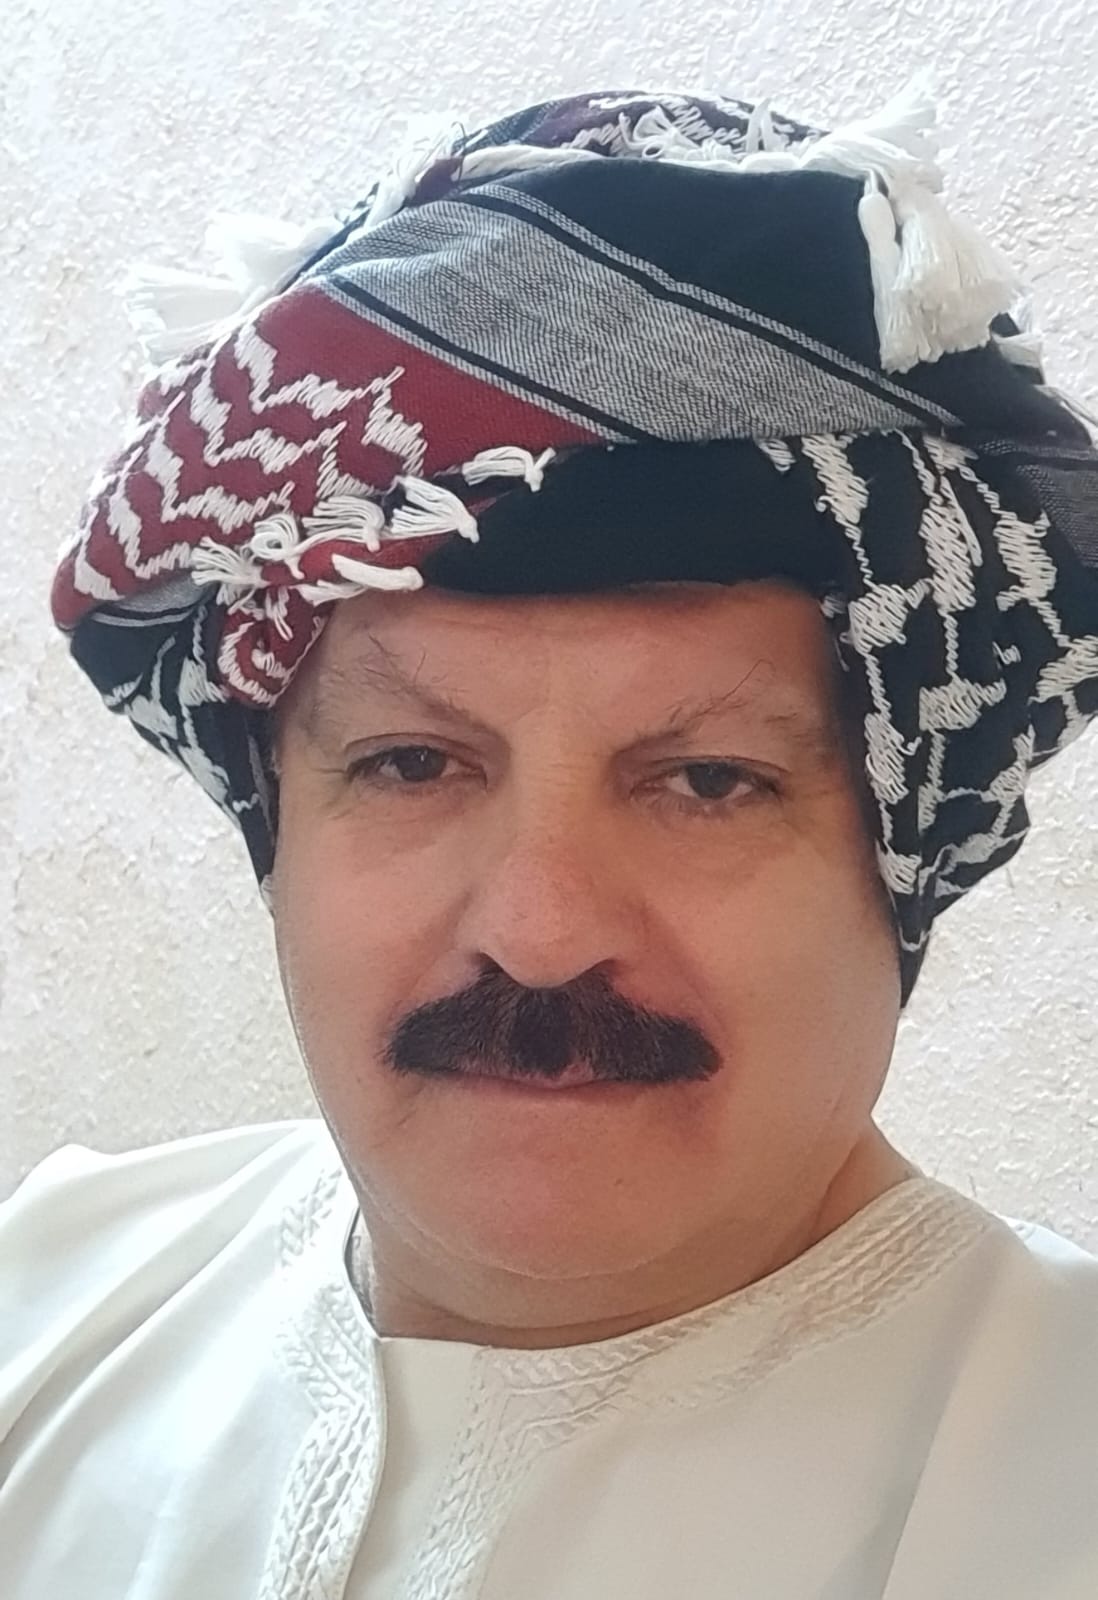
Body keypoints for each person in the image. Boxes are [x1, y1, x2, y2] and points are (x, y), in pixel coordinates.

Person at [2, 79, 1096, 1599]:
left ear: (907, 859)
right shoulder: (53, 1284)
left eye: (707, 781)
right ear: (277, 830)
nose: (538, 927)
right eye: (410, 763)